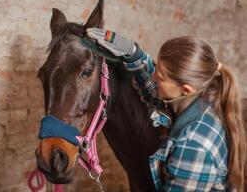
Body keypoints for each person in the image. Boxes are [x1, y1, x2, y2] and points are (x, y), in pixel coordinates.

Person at [86, 28, 246, 191]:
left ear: (186, 90)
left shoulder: (192, 145)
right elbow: (155, 91)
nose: (154, 77)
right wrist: (133, 53)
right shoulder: (202, 99)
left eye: (161, 76)